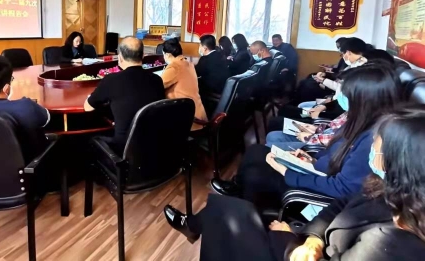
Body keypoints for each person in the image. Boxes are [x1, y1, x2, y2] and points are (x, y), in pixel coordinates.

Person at [163, 106, 425, 261]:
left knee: (228, 213)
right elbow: (341, 205)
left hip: (293, 249)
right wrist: (313, 240)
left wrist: (290, 240)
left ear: (402, 161)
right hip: (309, 240)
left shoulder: (395, 243)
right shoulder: (386, 189)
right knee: (227, 208)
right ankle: (195, 224)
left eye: (377, 146)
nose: (373, 150)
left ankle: (195, 225)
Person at [211, 64, 401, 203]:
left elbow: (342, 188)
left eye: (348, 94)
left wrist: (288, 173)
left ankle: (245, 202)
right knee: (256, 152)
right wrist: (311, 160)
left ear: (364, 99)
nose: (341, 97)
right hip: (318, 168)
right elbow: (335, 150)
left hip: (318, 187)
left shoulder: (373, 139)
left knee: (255, 173)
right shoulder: (359, 120)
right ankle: (238, 187)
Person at [84, 37, 165, 155]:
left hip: (124, 149)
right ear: (143, 55)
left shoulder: (111, 80)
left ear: (120, 57)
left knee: (92, 139)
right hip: (154, 145)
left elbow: (87, 107)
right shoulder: (157, 80)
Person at [161, 38, 207, 129]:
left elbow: (157, 85)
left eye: (163, 54)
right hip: (199, 115)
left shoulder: (174, 67)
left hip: (188, 120)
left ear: (168, 55)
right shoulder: (189, 64)